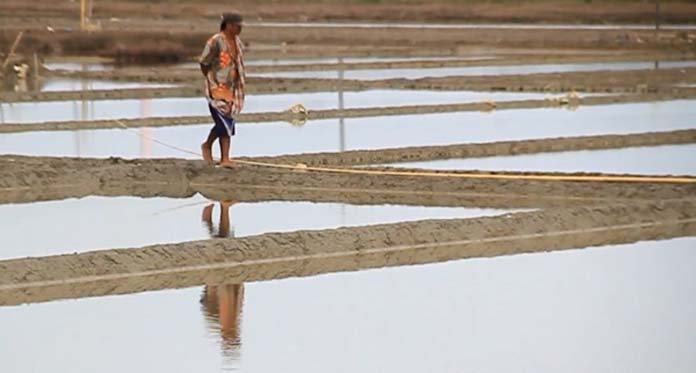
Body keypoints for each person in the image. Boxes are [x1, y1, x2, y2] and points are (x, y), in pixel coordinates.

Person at [199, 12, 246, 166]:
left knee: (229, 122)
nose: (240, 29)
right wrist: (212, 81)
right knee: (222, 123)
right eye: (238, 26)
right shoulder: (215, 41)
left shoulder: (237, 42)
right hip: (217, 88)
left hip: (232, 89)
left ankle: (225, 158)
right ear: (229, 25)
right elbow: (204, 62)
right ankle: (207, 144)